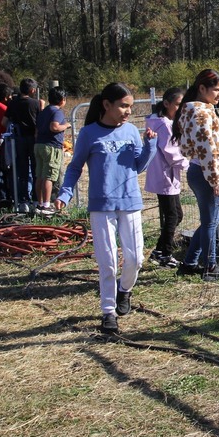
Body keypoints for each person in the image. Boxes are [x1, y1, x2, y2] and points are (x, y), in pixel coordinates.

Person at [55, 83, 156, 335]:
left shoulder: (132, 130)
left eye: (130, 106)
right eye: (123, 106)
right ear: (107, 105)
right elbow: (75, 167)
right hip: (101, 206)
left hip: (130, 202)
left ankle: (125, 290)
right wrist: (65, 194)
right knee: (108, 261)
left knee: (135, 258)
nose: (128, 111)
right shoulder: (89, 134)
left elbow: (138, 166)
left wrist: (149, 146)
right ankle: (108, 312)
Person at [173, 69, 219, 279]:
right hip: (206, 172)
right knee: (210, 222)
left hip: (199, 170)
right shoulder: (201, 113)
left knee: (209, 221)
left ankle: (189, 262)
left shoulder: (191, 110)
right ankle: (210, 266)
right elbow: (207, 148)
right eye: (216, 89)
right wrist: (215, 179)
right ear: (202, 88)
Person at [144, 87, 187, 267]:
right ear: (167, 103)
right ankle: (165, 254)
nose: (180, 108)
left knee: (176, 215)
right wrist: (188, 164)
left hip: (164, 175)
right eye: (177, 104)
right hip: (165, 175)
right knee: (172, 216)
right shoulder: (163, 125)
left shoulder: (158, 122)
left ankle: (159, 251)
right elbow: (170, 152)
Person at [4, 78, 44, 211]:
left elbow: (3, 122)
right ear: (33, 90)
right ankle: (36, 199)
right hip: (33, 138)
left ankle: (23, 201)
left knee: (22, 170)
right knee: (35, 169)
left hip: (18, 139)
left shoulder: (13, 103)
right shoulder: (35, 103)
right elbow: (40, 121)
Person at [34, 87, 69, 216]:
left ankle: (39, 203)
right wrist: (66, 125)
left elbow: (36, 131)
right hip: (51, 146)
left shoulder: (43, 112)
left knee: (40, 175)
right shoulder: (57, 111)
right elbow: (54, 127)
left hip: (39, 145)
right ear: (62, 100)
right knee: (49, 176)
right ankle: (47, 205)